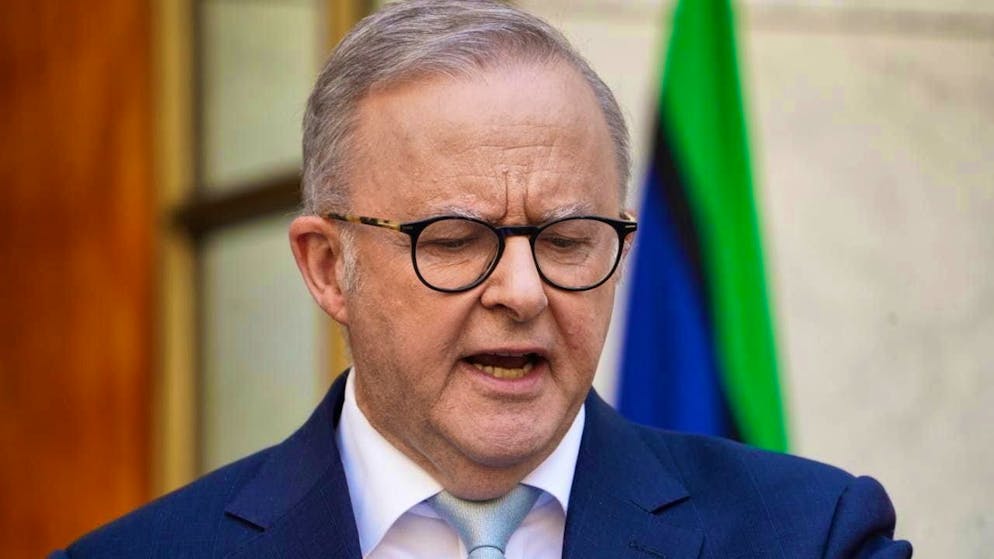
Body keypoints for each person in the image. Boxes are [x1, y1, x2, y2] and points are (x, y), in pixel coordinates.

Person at [52, 1, 912, 557]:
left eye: (569, 238)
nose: (523, 291)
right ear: (327, 267)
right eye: (456, 240)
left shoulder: (811, 536)